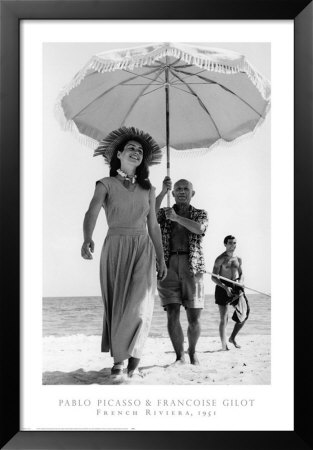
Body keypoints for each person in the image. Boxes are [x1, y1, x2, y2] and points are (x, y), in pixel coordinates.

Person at [81, 127, 167, 378]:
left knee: (141, 306)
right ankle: (120, 361)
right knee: (119, 306)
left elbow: (153, 225)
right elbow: (92, 212)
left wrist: (161, 258)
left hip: (143, 248)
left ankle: (134, 358)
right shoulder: (105, 184)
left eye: (140, 151)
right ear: (118, 154)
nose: (136, 152)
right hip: (116, 246)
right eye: (131, 148)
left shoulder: (149, 189)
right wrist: (87, 238)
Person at [155, 176, 208, 365]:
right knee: (172, 312)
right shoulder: (165, 212)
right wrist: (162, 192)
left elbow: (200, 229)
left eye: (186, 189)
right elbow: (149, 214)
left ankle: (192, 351)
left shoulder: (200, 213)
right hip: (168, 265)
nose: (182, 192)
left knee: (194, 316)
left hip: (192, 267)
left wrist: (177, 218)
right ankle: (179, 356)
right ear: (174, 193)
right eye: (178, 189)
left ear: (192, 193)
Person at [211, 235, 250, 351]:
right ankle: (224, 345)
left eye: (234, 243)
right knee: (224, 318)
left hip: (235, 285)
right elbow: (213, 278)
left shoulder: (238, 259)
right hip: (222, 287)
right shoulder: (220, 259)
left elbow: (241, 273)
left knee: (245, 313)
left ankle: (232, 338)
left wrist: (241, 282)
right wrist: (225, 287)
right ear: (225, 244)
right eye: (230, 243)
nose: (233, 245)